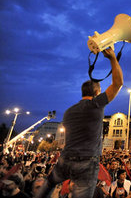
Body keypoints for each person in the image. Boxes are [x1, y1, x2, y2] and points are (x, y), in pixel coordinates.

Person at [36, 48, 124, 198]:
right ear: (97, 93)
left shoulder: (69, 111)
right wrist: (113, 59)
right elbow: (118, 83)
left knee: (49, 183)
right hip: (86, 162)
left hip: (65, 158)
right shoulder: (96, 104)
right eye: (100, 90)